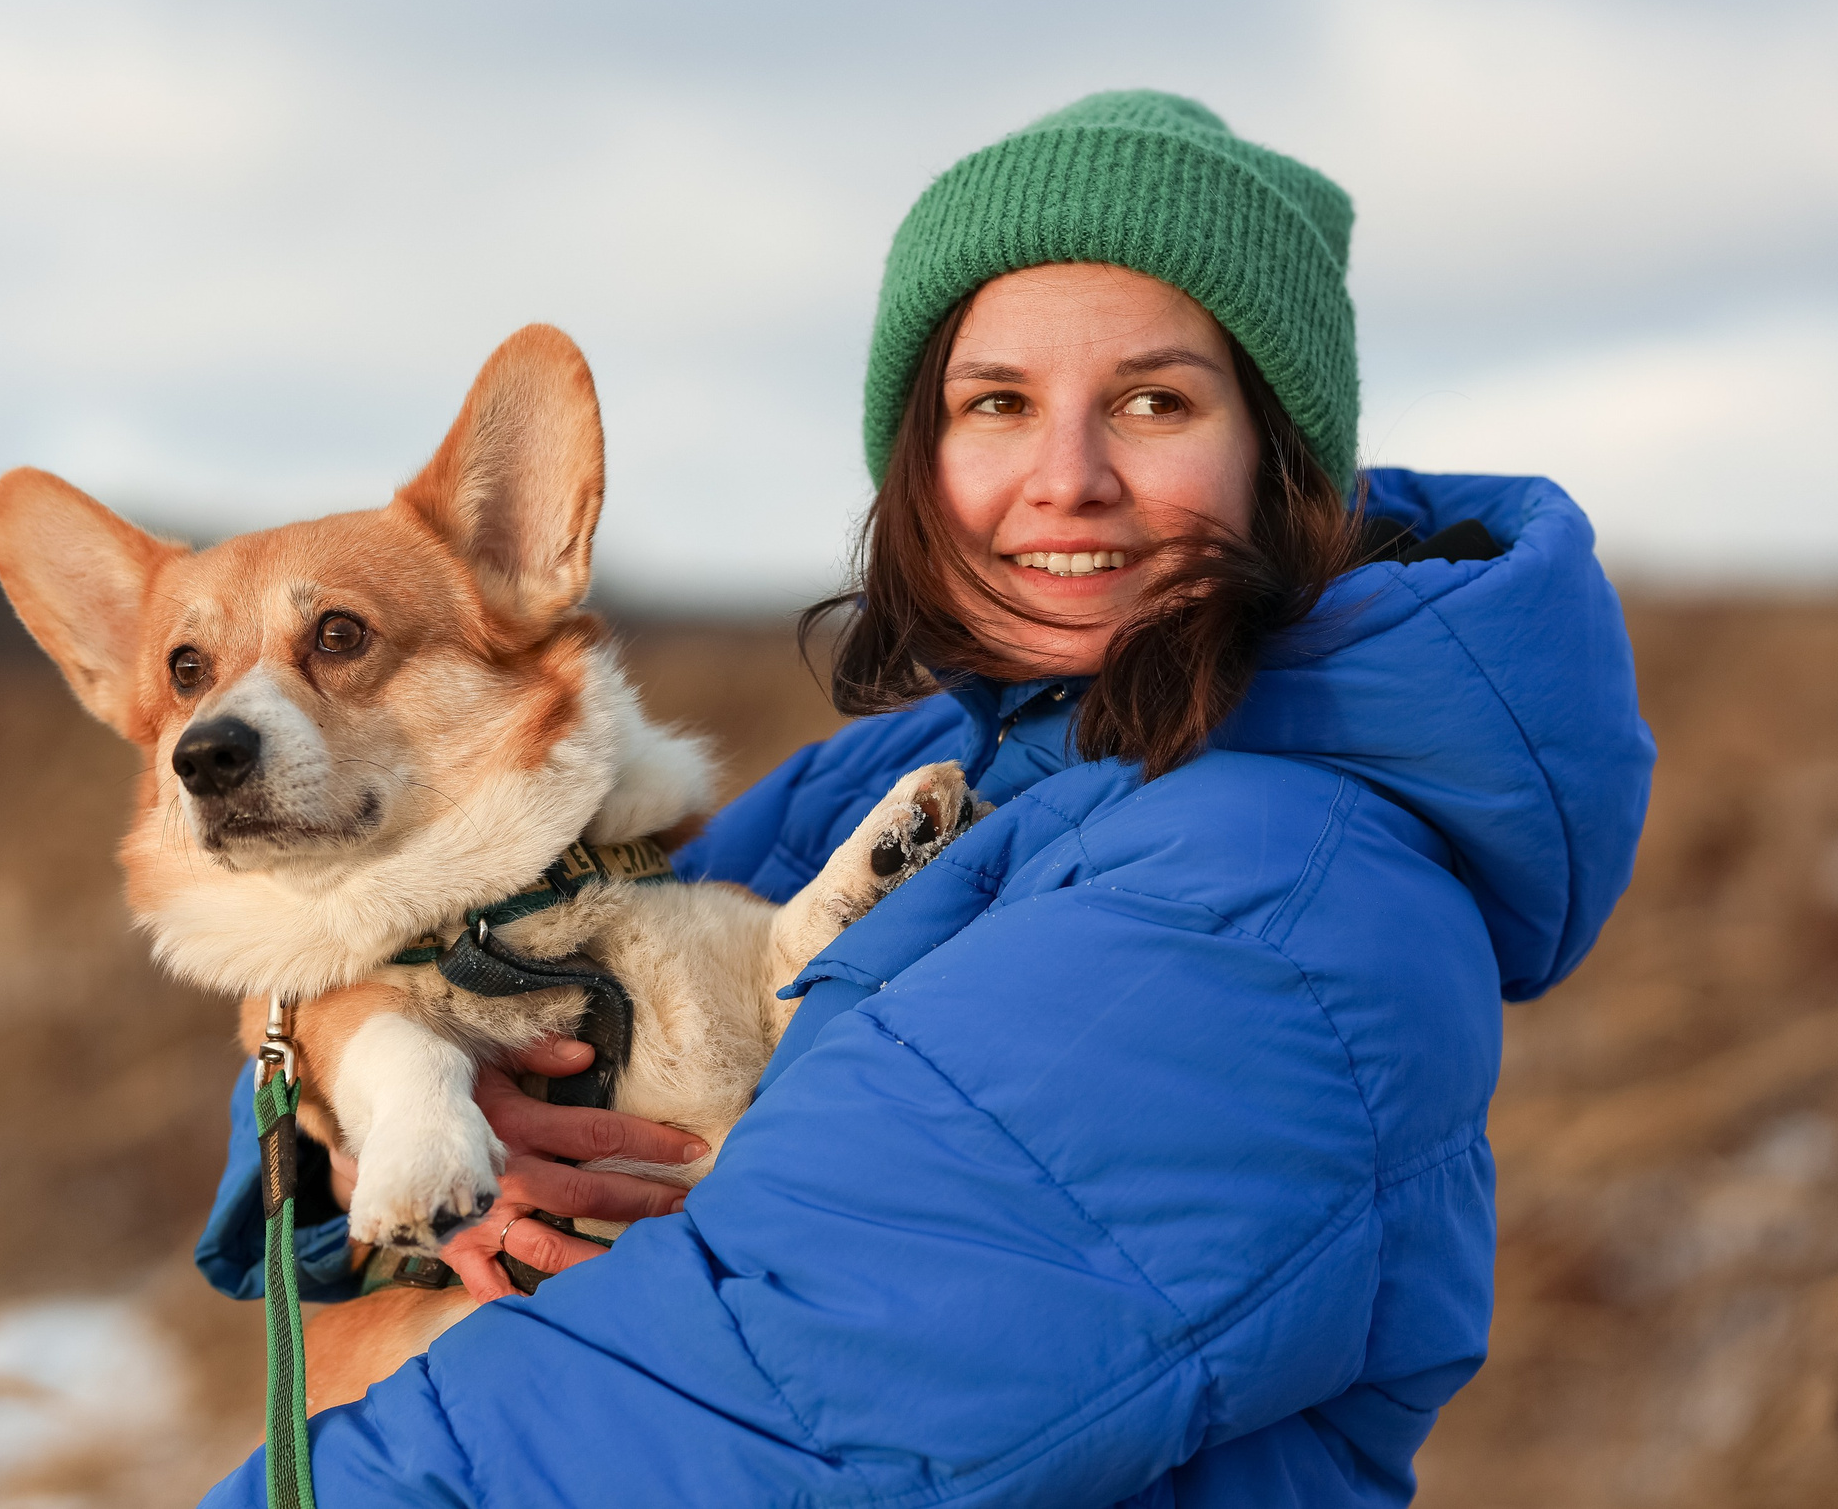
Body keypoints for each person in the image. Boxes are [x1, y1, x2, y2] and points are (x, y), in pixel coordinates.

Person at [191, 90, 1654, 1506]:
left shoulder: (1278, 896)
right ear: (922, 459)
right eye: (997, 402)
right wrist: (373, 1075)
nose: (1065, 477)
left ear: (1281, 462)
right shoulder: (913, 771)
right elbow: (478, 976)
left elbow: (757, 1402)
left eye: (1155, 399)